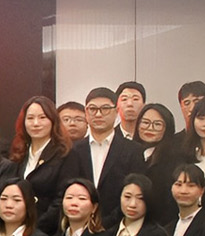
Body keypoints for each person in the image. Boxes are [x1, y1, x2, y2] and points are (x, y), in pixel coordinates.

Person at [60, 88, 148, 228]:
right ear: (86, 113)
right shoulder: (73, 150)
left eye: (105, 109)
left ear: (116, 111)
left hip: (118, 227)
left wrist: (106, 224)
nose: (98, 114)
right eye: (93, 109)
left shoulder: (133, 150)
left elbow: (135, 191)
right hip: (79, 226)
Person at [10, 96, 71, 234]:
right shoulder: (19, 152)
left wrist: (35, 229)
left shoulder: (64, 154)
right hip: (17, 228)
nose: (36, 123)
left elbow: (61, 199)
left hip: (47, 231)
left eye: (42, 117)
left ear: (53, 121)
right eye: (30, 118)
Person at [136, 103, 185, 216]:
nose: (150, 128)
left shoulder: (174, 159)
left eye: (157, 124)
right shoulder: (129, 152)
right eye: (145, 122)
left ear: (167, 128)